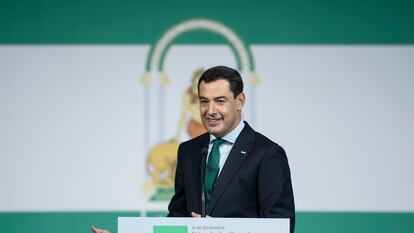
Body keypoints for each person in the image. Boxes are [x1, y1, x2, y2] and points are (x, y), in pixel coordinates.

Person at [92, 65, 295, 233]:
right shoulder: (188, 152)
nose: (211, 111)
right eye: (204, 101)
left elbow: (280, 227)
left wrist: (220, 230)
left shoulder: (267, 155)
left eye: (220, 101)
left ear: (239, 101)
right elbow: (176, 221)